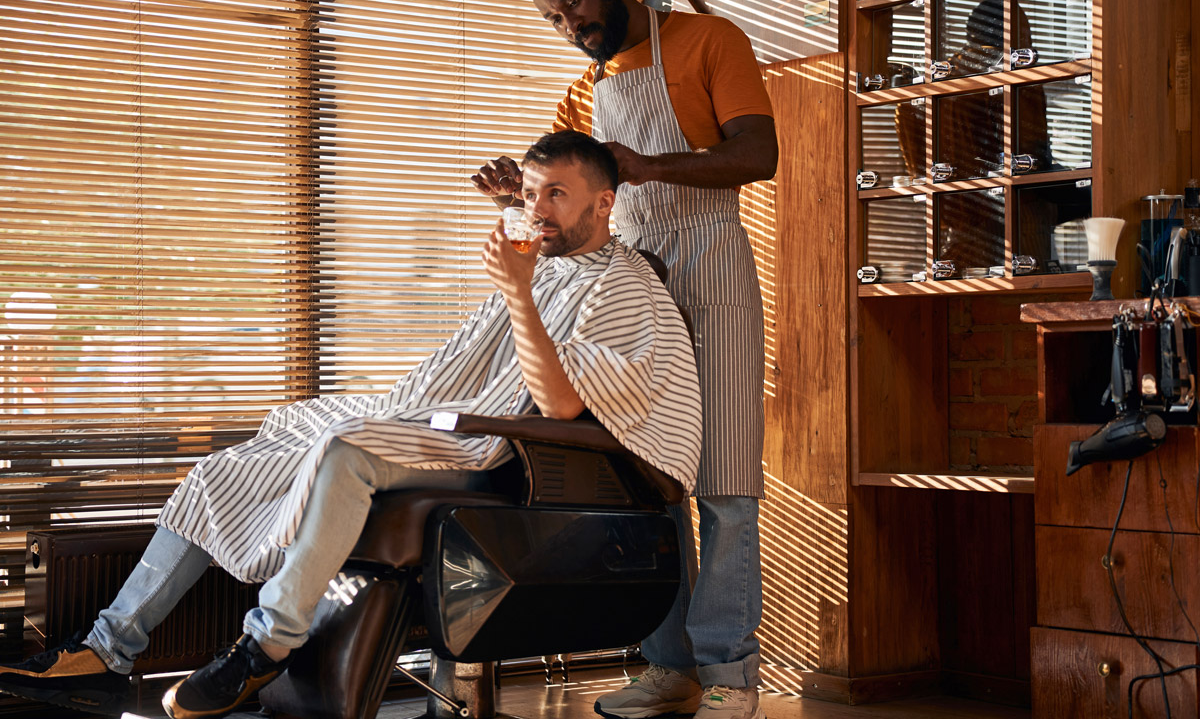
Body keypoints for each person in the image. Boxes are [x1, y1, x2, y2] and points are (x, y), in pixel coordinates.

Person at [0, 130, 702, 719]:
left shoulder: (620, 283)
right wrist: (525, 265)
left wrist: (516, 290)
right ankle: (109, 643)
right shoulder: (549, 261)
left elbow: (561, 405)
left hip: (503, 445)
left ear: (605, 202)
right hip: (435, 410)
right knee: (240, 459)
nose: (537, 208)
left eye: (557, 194)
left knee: (346, 449)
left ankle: (263, 647)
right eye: (530, 191)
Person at [472, 0, 777, 719]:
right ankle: (670, 665)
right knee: (656, 475)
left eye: (572, 0)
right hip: (633, 288)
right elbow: (566, 205)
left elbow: (758, 152)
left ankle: (731, 675)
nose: (569, 23)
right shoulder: (581, 93)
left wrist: (646, 166)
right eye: (552, 16)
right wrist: (522, 194)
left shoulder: (712, 40)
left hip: (712, 274)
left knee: (728, 486)